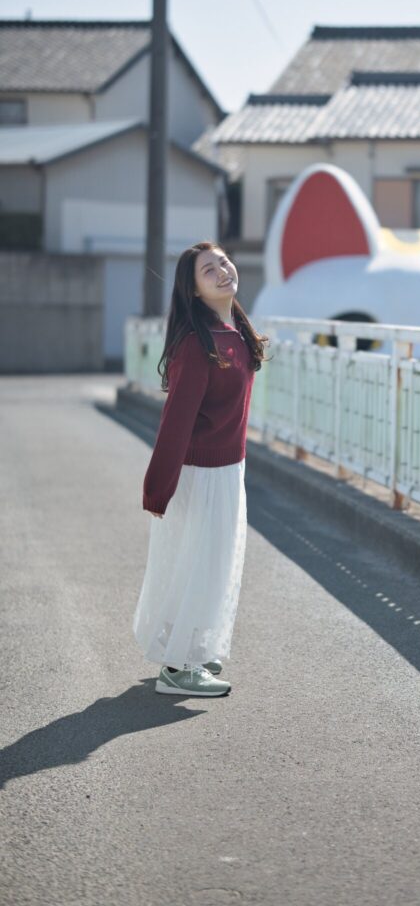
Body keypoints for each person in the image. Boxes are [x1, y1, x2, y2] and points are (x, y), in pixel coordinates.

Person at [132, 241, 268, 696]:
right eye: (209, 270)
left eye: (224, 262)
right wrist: (158, 488)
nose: (223, 271)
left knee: (212, 565)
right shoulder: (200, 343)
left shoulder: (237, 332)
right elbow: (177, 422)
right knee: (197, 567)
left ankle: (190, 650)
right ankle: (177, 668)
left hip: (229, 471)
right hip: (200, 475)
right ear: (193, 290)